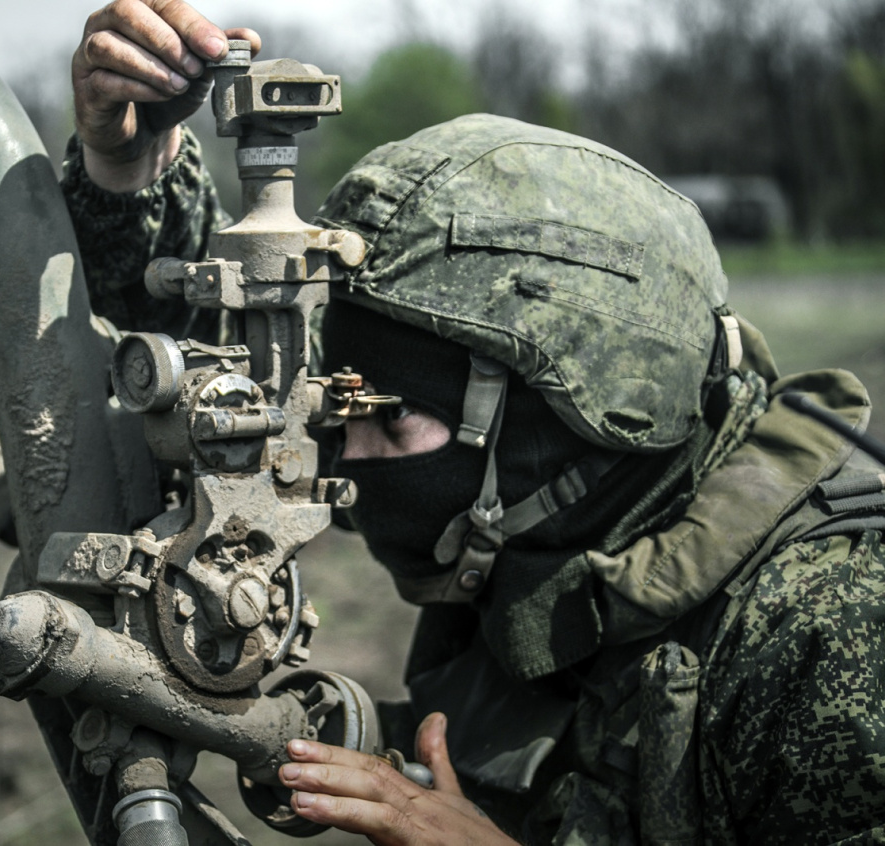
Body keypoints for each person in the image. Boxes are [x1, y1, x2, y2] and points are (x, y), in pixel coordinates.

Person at [64, 2, 885, 843]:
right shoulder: (556, 527)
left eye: (390, 419)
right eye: (342, 409)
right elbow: (229, 385)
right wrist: (133, 169)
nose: (347, 465)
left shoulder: (829, 633)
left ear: (566, 424)